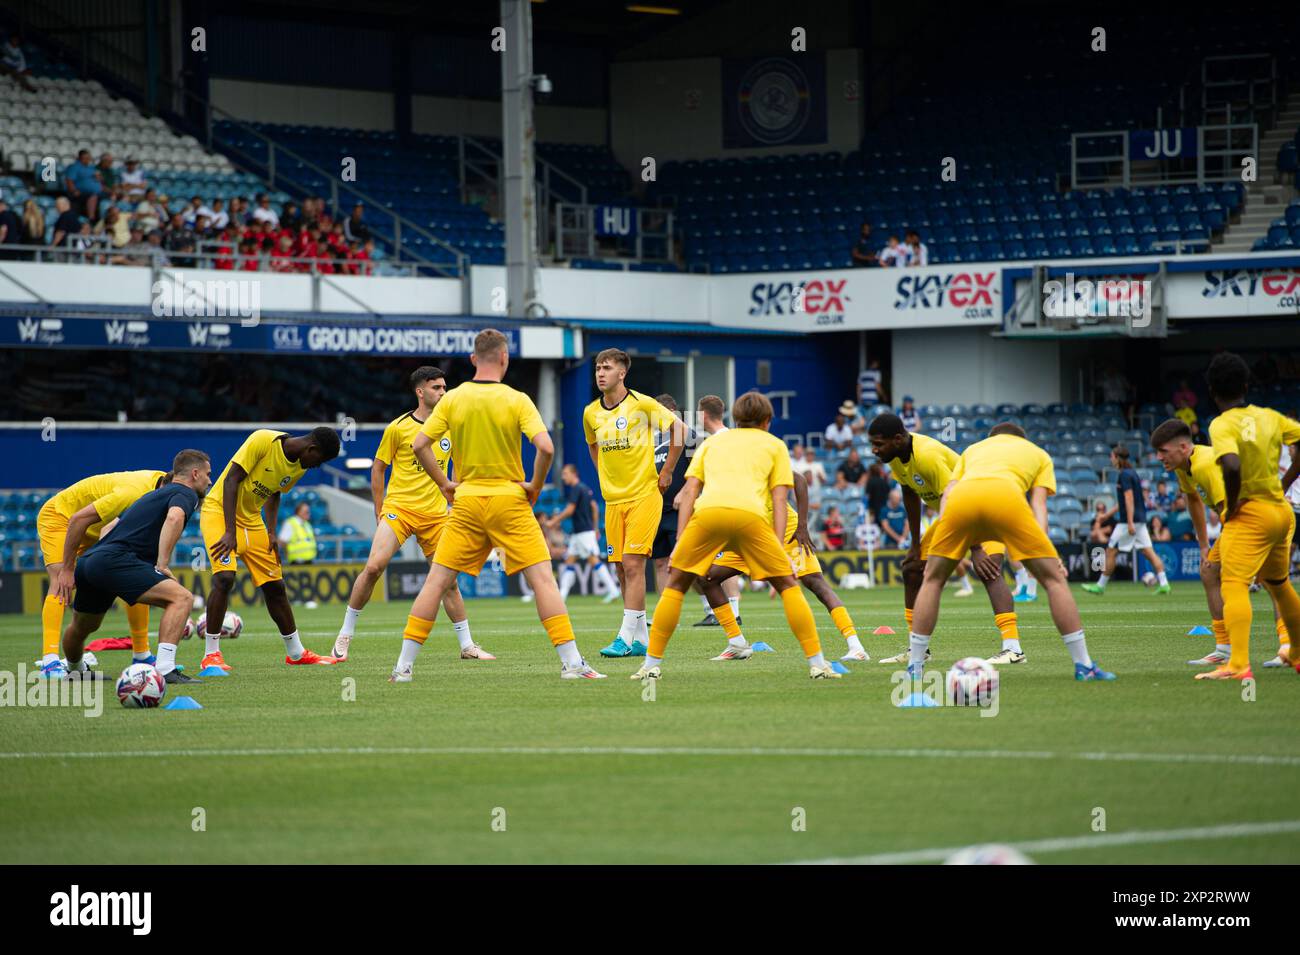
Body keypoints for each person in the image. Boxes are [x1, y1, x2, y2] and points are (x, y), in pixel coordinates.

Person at [391, 329, 604, 681]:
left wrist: (445, 483)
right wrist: (535, 486)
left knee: (436, 583)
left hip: (467, 501)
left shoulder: (452, 400)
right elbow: (547, 448)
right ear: (504, 358)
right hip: (510, 499)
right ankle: (572, 664)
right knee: (543, 582)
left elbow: (418, 445)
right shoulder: (517, 399)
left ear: (473, 359)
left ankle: (403, 668)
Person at [629, 391, 840, 681]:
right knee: (788, 586)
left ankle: (650, 665)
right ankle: (818, 663)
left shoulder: (712, 443)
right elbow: (780, 500)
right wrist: (778, 548)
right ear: (768, 420)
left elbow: (689, 491)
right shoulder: (775, 445)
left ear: (736, 419)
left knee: (676, 585)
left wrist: (680, 540)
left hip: (709, 514)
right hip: (750, 517)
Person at [908, 422, 1116, 682]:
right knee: (1054, 581)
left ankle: (914, 667)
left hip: (960, 500)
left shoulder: (973, 449)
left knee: (933, 579)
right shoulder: (1038, 454)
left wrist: (947, 537)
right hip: (1005, 496)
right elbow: (1039, 505)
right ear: (1020, 438)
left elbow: (948, 492)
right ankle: (1084, 665)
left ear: (993, 438)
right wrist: (1046, 553)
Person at [332, 367, 489, 661]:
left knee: (449, 581)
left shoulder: (451, 427)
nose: (443, 392)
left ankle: (467, 646)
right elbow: (378, 468)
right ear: (420, 392)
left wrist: (455, 501)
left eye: (445, 388)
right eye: (437, 388)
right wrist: (380, 511)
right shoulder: (398, 427)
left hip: (436, 516)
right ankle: (345, 633)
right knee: (375, 567)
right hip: (400, 510)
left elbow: (457, 468)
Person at [868, 413, 1024, 665]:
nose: (874, 450)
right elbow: (909, 492)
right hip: (951, 513)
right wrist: (915, 545)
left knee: (989, 568)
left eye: (878, 444)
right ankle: (917, 649)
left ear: (897, 439)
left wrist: (974, 548)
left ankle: (1013, 649)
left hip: (981, 505)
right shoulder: (895, 456)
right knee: (911, 569)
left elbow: (956, 497)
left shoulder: (928, 455)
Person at [57, 451, 212, 685]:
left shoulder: (148, 497)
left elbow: (107, 529)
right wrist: (162, 563)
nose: (210, 481)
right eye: (208, 475)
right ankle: (166, 669)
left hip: (92, 560)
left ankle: (75, 669)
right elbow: (174, 518)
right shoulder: (185, 492)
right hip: (116, 560)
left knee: (84, 625)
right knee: (181, 599)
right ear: (195, 473)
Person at [1194, 352, 1300, 680]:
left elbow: (1231, 464)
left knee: (1234, 583)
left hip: (1251, 513)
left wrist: (1233, 503)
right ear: (1245, 385)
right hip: (1281, 513)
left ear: (1212, 390)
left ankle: (1238, 664)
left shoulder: (1221, 424)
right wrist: (1285, 482)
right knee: (1280, 585)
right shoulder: (1270, 416)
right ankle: (1296, 651)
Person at [201, 427, 343, 671]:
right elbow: (231, 480)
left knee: (275, 587)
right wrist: (230, 532)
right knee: (225, 578)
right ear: (312, 449)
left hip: (253, 520)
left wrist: (272, 532)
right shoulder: (263, 440)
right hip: (219, 513)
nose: (313, 467)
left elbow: (274, 493)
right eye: (317, 461)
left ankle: (296, 652)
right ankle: (211, 655)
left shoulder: (298, 465)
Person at [702, 470, 867, 661]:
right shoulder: (719, 464)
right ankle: (737, 644)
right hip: (749, 532)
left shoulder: (756, 452)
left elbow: (799, 479)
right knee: (707, 577)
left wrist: (803, 526)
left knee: (815, 582)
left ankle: (855, 645)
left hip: (785, 528)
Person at [582, 348, 684, 658]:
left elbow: (681, 431)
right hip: (614, 500)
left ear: (622, 373)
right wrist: (604, 476)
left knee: (633, 564)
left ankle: (624, 636)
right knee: (621, 571)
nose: (601, 373)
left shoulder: (643, 404)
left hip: (643, 495)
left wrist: (666, 472)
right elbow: (592, 445)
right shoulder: (590, 412)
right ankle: (641, 639)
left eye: (607, 368)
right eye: (598, 367)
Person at [36, 466, 172, 676]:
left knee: (136, 576)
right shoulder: (133, 493)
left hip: (95, 527)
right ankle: (50, 661)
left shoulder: (163, 486)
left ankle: (142, 655)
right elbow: (81, 520)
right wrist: (69, 567)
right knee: (61, 581)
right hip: (62, 518)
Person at [1082, 444, 1170, 595]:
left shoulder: (1124, 475)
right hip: (1139, 520)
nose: (1110, 459)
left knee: (1110, 551)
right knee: (1149, 553)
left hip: (1129, 522)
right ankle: (1164, 584)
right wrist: (1107, 516)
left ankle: (1100, 586)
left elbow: (1129, 499)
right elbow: (1123, 501)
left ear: (1117, 458)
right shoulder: (1132, 473)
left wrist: (1129, 522)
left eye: (1112, 456)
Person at [690, 394, 743, 626]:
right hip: (734, 510)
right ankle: (730, 613)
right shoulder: (733, 439)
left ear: (703, 414)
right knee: (709, 569)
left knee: (708, 568)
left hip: (728, 513)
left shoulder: (714, 443)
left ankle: (731, 613)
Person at [551, 462, 621, 602]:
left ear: (573, 474)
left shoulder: (577, 489)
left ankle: (613, 590)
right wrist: (595, 527)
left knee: (593, 560)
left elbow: (570, 510)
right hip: (580, 533)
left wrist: (553, 521)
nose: (563, 477)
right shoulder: (584, 488)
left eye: (565, 474)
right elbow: (594, 507)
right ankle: (562, 596)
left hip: (583, 533)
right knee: (569, 561)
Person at [651, 393, 692, 593]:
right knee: (660, 563)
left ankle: (710, 608)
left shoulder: (689, 437)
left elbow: (700, 473)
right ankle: (662, 613)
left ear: (672, 413)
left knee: (686, 563)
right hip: (656, 510)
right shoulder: (649, 440)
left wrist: (684, 492)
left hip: (680, 511)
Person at [64, 150, 104, 221]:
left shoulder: (91, 168)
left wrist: (99, 177)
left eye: (88, 158)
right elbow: (69, 180)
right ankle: (91, 219)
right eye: (85, 158)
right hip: (81, 192)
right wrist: (74, 190)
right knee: (93, 196)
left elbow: (100, 179)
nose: (87, 160)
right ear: (79, 158)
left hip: (98, 192)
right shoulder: (75, 167)